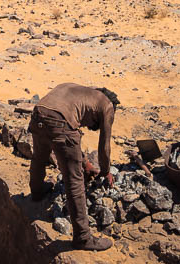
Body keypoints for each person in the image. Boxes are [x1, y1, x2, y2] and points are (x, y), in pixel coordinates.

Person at [28, 83, 118, 251]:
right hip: (59, 120)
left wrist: (86, 164)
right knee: (75, 181)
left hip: (38, 112)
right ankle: (83, 238)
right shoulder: (107, 106)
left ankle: (37, 192)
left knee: (39, 158)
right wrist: (106, 171)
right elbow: (104, 146)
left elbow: (69, 134)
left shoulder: (79, 91)